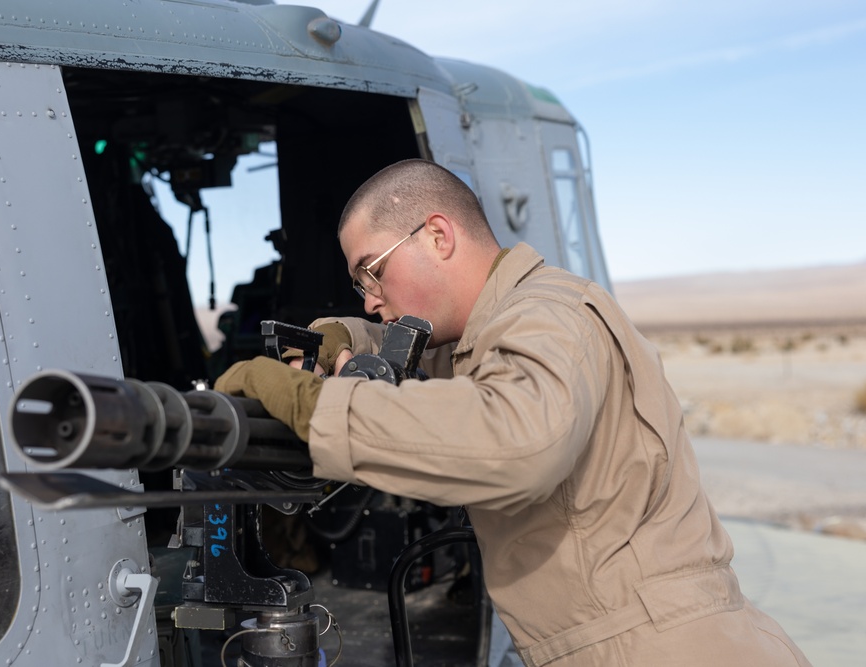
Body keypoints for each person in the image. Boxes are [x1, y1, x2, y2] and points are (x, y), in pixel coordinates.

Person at [215, 159, 811, 666]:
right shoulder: (489, 336)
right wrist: (338, 338)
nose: (371, 298)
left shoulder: (550, 315)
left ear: (438, 237)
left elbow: (515, 443)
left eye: (372, 271)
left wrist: (309, 403)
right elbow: (421, 359)